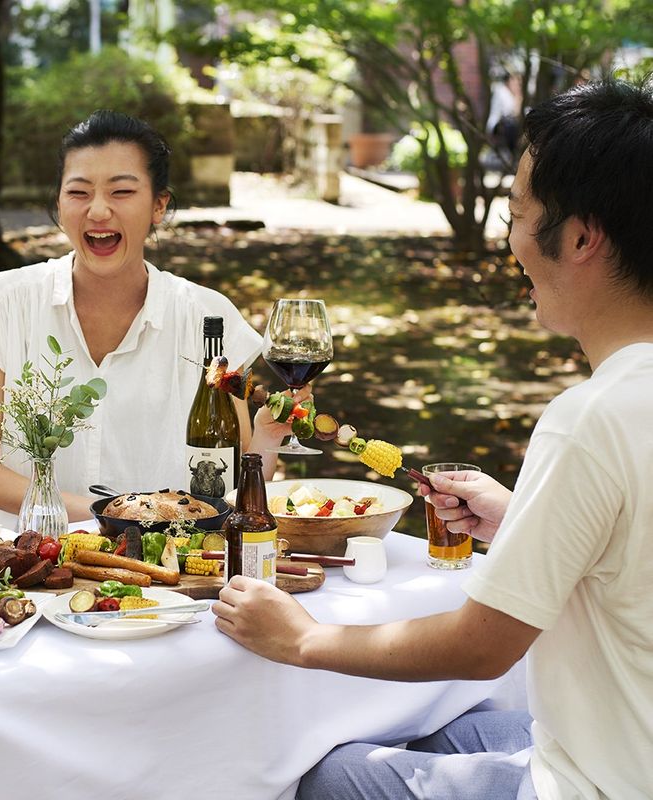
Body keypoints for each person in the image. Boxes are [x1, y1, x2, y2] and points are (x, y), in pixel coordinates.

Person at [212, 78, 653, 799]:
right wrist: (520, 518)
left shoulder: (590, 417)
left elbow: (482, 646)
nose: (510, 238)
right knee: (438, 731)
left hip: (603, 780)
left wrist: (299, 639)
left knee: (323, 778)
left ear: (578, 236)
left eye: (516, 212)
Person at [0, 110, 296, 528]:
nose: (97, 211)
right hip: (23, 572)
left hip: (166, 572)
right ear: (58, 204)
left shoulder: (208, 318)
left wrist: (268, 437)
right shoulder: (6, 303)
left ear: (159, 206)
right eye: (78, 193)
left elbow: (240, 484)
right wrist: (112, 518)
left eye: (121, 192)